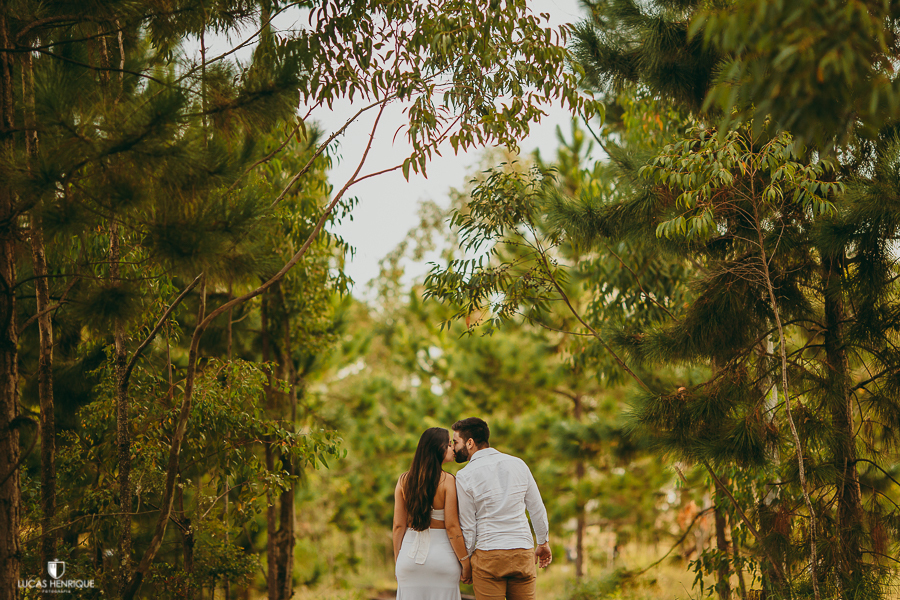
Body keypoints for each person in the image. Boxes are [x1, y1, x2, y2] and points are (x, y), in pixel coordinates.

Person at [452, 417, 551, 600]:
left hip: (489, 555)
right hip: (522, 552)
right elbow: (537, 508)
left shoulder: (464, 475)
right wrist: (543, 542)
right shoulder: (518, 464)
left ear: (470, 442)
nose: (453, 448)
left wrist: (468, 561)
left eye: (455, 442)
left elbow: (468, 526)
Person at [393, 427, 472, 599]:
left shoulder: (403, 481)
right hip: (442, 561)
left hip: (408, 559)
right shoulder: (448, 481)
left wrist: (398, 561)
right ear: (438, 448)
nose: (452, 448)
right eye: (449, 444)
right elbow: (452, 527)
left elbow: (398, 526)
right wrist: (465, 562)